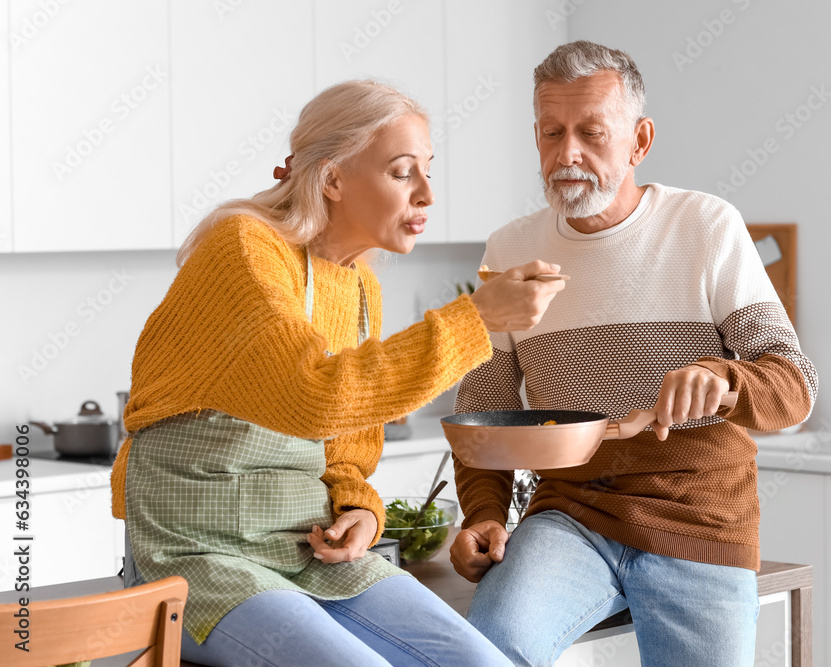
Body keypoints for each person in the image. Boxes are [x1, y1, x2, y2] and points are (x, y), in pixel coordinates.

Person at [109, 79, 565, 667]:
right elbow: (311, 396)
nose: (427, 193)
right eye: (403, 172)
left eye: (428, 171)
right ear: (332, 179)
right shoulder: (245, 247)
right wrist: (476, 318)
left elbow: (346, 449)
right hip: (195, 554)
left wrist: (358, 510)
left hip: (305, 550)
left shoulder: (359, 288)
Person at [449, 41, 818, 666]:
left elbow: (794, 388)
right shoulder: (511, 248)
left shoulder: (706, 227)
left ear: (639, 140)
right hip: (570, 517)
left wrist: (723, 380)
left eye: (592, 132)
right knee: (483, 651)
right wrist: (483, 515)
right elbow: (486, 409)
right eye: (551, 133)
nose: (568, 154)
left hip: (700, 519)